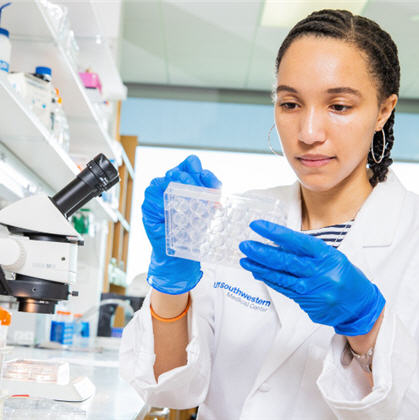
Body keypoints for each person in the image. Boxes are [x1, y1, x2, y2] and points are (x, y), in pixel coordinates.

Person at [120, 9, 419, 419]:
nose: (309, 132)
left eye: (339, 106)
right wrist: (170, 282)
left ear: (383, 111)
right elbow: (174, 388)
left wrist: (367, 326)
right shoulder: (238, 221)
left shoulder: (411, 234)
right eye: (291, 103)